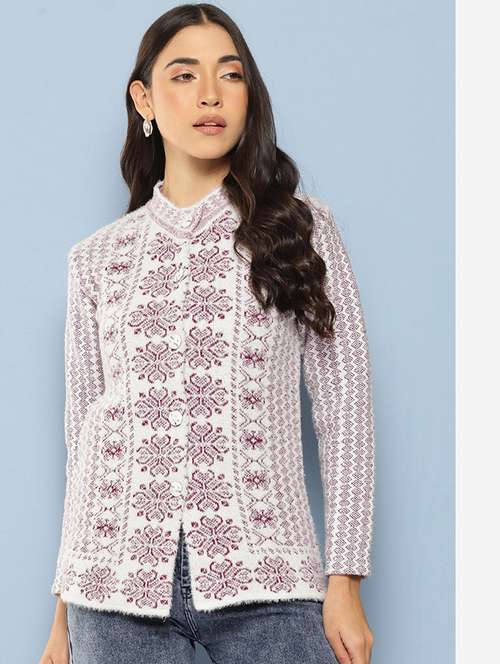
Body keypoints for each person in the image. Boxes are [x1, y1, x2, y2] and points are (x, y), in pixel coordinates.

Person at [39, 3, 375, 663]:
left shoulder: (301, 230)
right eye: (185, 75)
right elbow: (84, 444)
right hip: (110, 589)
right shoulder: (97, 259)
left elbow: (346, 410)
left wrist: (346, 580)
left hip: (269, 576)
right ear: (144, 99)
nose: (211, 94)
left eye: (231, 74)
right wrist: (61, 616)